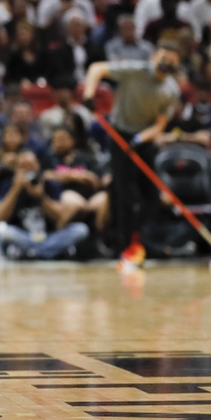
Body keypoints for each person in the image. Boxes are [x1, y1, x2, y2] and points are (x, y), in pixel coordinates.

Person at [82, 41, 181, 270]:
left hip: (143, 139)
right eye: (164, 56)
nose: (167, 62)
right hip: (119, 134)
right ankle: (124, 248)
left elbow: (160, 125)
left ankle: (138, 238)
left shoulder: (171, 90)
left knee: (152, 198)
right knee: (124, 195)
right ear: (155, 56)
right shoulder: (135, 69)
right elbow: (97, 68)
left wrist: (138, 141)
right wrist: (89, 94)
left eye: (173, 59)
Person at [0, 150, 91, 260]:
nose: (27, 171)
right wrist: (16, 189)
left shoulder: (49, 184)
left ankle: (33, 253)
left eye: (30, 166)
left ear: (38, 166)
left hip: (48, 237)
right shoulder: (8, 184)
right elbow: (0, 217)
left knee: (81, 229)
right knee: (1, 229)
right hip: (24, 236)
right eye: (23, 167)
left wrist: (42, 197)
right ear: (16, 169)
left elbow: (60, 218)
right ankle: (48, 253)